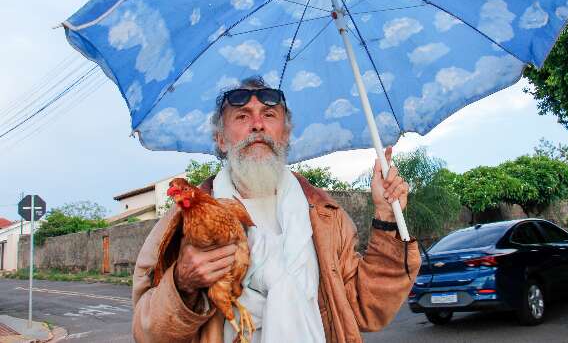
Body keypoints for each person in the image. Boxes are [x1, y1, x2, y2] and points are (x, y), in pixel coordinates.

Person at [132, 76, 421, 343]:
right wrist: (182, 282)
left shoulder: (326, 216)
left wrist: (385, 215)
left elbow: (365, 308)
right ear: (220, 139)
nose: (257, 125)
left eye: (269, 115)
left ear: (286, 134)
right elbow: (146, 332)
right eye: (242, 116)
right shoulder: (180, 222)